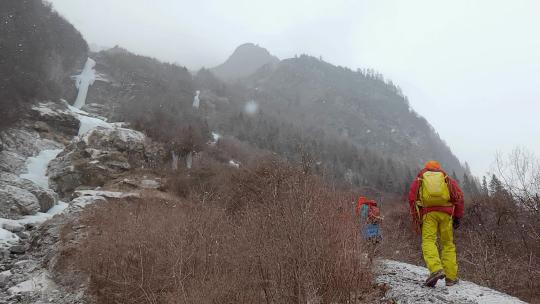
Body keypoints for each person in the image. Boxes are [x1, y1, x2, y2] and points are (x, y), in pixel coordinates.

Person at [408, 160, 464, 287]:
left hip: (429, 214)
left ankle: (435, 269)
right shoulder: (445, 178)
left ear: (426, 168)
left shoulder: (420, 178)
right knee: (447, 244)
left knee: (428, 241)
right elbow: (459, 196)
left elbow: (412, 199)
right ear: (438, 168)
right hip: (446, 214)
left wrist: (417, 218)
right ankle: (451, 277)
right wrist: (457, 216)